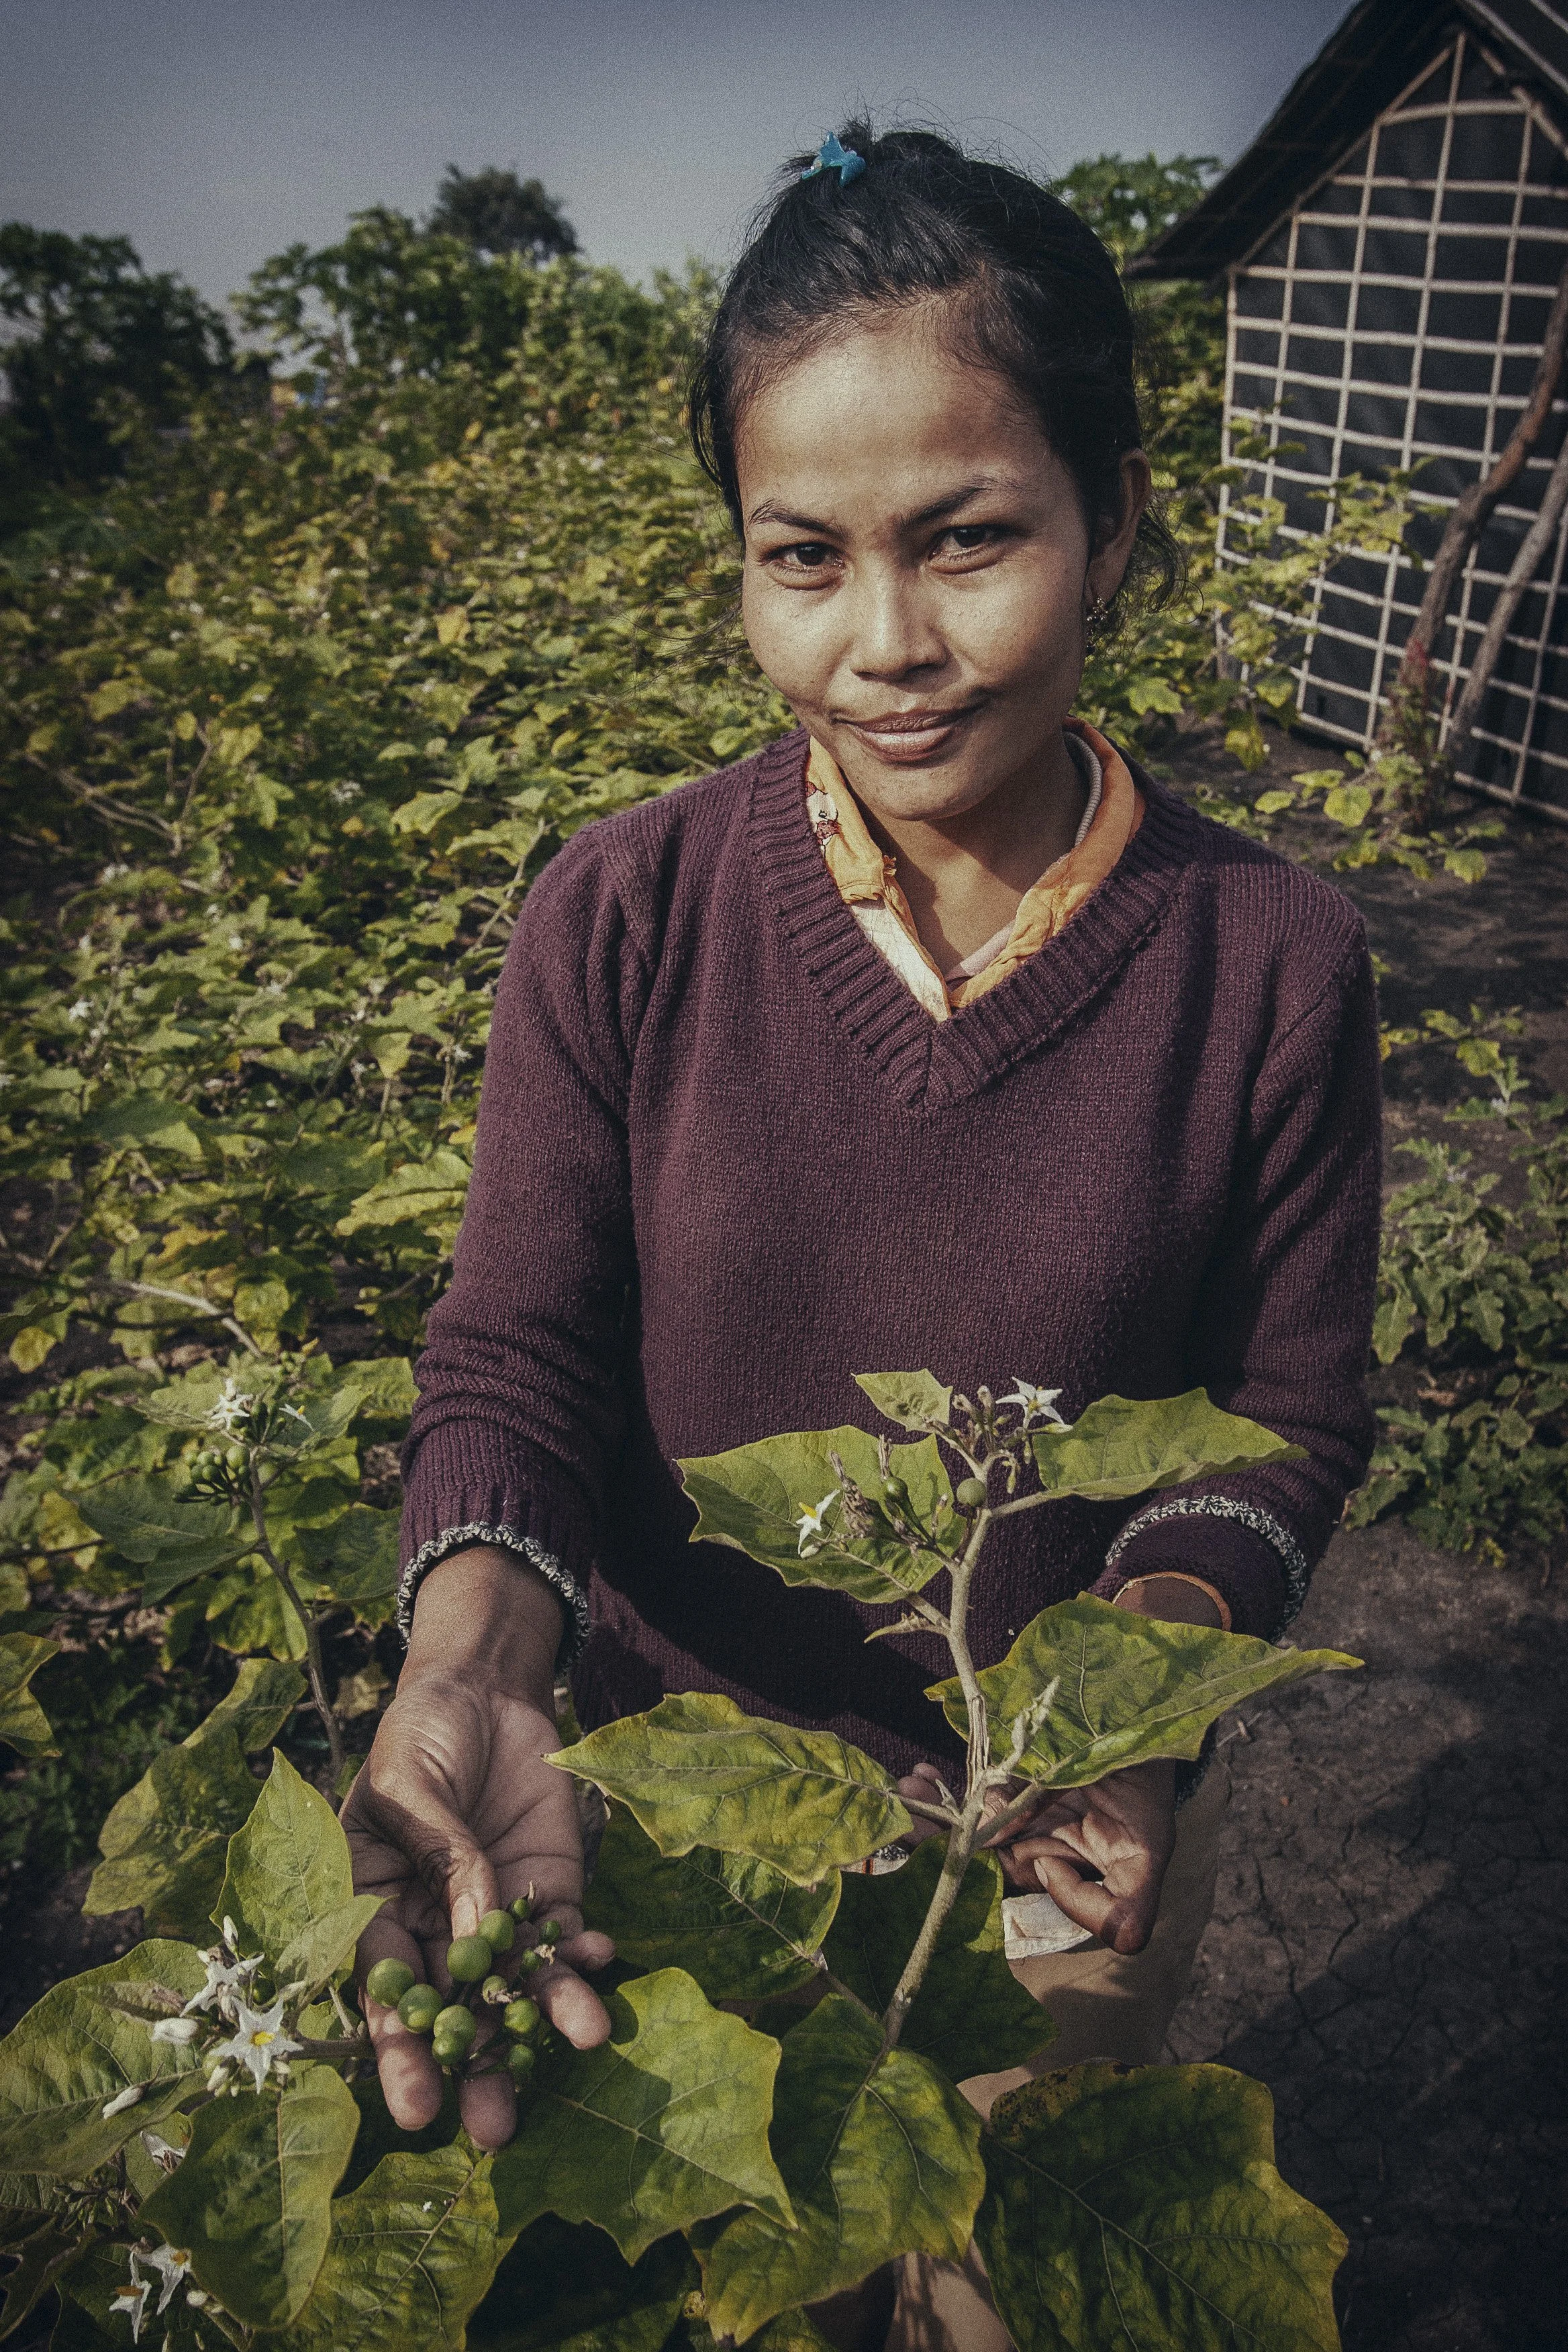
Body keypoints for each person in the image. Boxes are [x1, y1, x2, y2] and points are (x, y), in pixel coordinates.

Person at [345, 124, 1381, 2350]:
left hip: (1048, 1840)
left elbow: (1285, 1413)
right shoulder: (621, 916)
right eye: (801, 556)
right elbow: (519, 1346)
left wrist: (1139, 1683)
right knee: (727, 2275)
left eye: (970, 540)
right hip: (665, 1800)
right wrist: (469, 1672)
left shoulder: (1268, 960)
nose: (886, 644)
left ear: (1116, 526)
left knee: (996, 2270)